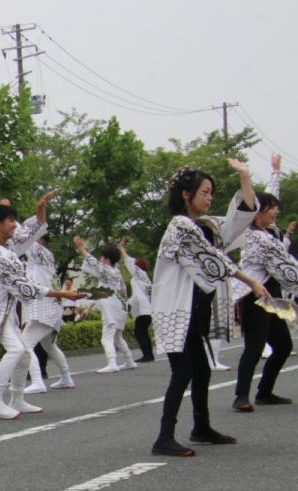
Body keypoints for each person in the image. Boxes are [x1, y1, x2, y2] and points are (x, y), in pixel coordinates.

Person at [149, 160, 269, 457]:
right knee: (182, 372)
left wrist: (245, 177)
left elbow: (239, 220)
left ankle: (201, 428)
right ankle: (164, 437)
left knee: (201, 370)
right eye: (204, 192)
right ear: (186, 195)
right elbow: (212, 258)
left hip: (193, 309)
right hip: (176, 310)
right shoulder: (180, 225)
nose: (210, 197)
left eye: (211, 192)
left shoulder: (206, 225)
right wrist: (250, 280)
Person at [0, 201, 85, 419]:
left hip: (6, 310)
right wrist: (63, 294)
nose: (15, 225)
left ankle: (16, 399)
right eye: (11, 220)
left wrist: (40, 210)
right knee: (17, 350)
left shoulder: (7, 248)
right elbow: (25, 286)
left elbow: (27, 237)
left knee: (24, 352)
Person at [231, 154, 297, 411]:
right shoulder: (257, 238)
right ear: (259, 213)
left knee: (283, 345)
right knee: (254, 346)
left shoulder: (267, 230)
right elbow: (287, 267)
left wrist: (275, 172)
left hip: (271, 295)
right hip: (254, 295)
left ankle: (265, 392)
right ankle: (241, 396)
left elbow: (269, 196)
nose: (276, 212)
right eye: (272, 209)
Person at [21, 232, 74, 392]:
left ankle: (37, 381)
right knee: (50, 346)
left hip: (44, 309)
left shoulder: (39, 252)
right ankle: (66, 377)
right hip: (51, 308)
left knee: (25, 345)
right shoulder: (46, 257)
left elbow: (22, 237)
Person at [76, 237, 136, 374]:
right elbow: (99, 291)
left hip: (111, 308)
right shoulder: (116, 272)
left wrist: (81, 248)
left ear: (106, 259)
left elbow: (92, 261)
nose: (100, 259)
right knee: (118, 337)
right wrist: (88, 309)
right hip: (121, 308)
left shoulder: (106, 271)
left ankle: (112, 363)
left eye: (102, 257)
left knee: (106, 338)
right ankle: (129, 361)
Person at [126, 246, 155, 362]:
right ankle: (149, 355)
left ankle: (147, 355)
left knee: (139, 333)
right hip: (148, 308)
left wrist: (129, 304)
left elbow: (136, 296)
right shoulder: (146, 278)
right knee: (143, 332)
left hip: (142, 309)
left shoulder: (137, 277)